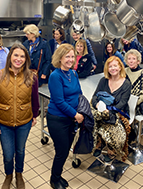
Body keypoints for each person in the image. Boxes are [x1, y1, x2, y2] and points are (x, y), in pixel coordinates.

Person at [0, 44, 39, 189]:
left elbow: (34, 99)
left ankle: (19, 174)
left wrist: (35, 115)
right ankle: (8, 175)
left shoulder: (31, 76)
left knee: (20, 151)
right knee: (8, 154)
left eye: (22, 56)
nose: (18, 59)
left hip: (24, 122)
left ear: (26, 59)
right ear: (10, 57)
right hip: (4, 122)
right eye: (15, 55)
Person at [46, 44, 84, 189]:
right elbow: (59, 101)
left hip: (71, 119)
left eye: (72, 56)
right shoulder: (55, 76)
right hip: (57, 119)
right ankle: (54, 179)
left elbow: (79, 93)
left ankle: (58, 176)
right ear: (60, 58)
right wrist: (76, 114)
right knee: (61, 151)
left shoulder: (74, 73)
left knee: (66, 148)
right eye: (67, 56)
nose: (70, 59)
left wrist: (81, 110)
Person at [91, 56, 131, 162]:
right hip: (101, 110)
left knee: (109, 123)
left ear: (120, 67)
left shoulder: (126, 83)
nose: (113, 68)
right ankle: (99, 143)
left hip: (118, 112)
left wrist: (109, 110)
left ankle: (111, 149)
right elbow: (94, 96)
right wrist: (96, 105)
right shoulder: (103, 81)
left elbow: (122, 103)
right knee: (92, 120)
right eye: (110, 66)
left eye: (115, 66)